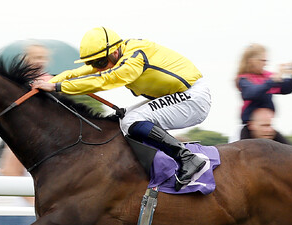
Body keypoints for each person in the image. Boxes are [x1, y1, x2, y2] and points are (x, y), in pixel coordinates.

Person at [32, 27, 210, 191]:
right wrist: (54, 80)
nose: (99, 67)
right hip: (178, 95)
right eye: (94, 62)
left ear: (115, 52)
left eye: (100, 62)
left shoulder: (134, 58)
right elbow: (84, 72)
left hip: (193, 98)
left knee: (133, 120)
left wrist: (58, 87)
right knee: (124, 120)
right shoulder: (118, 54)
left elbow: (104, 80)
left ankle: (188, 158)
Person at [235, 44, 292, 143]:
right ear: (252, 61)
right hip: (250, 131)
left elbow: (287, 89)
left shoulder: (268, 77)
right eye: (262, 61)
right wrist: (272, 80)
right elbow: (251, 93)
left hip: (267, 129)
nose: (265, 64)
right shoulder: (244, 79)